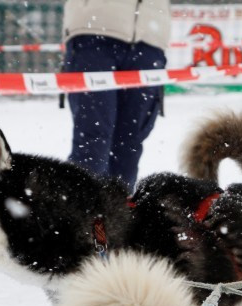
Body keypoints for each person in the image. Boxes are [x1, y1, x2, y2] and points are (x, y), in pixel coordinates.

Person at [61, 0, 170, 192]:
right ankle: (80, 215)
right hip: (94, 29)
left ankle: (117, 216)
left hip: (150, 40)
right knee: (93, 140)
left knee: (129, 145)